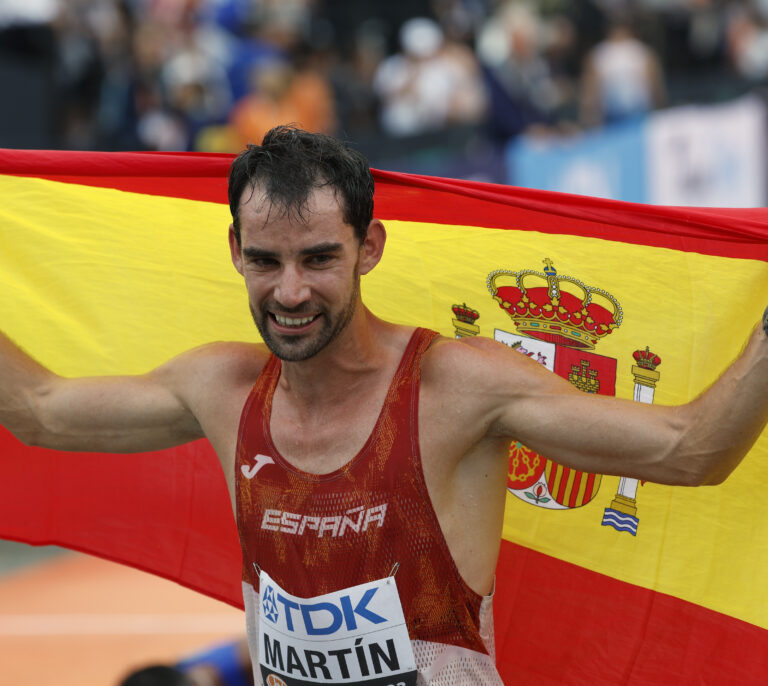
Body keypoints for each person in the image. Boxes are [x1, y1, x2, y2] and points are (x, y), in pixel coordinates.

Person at [2, 125, 768, 685]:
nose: (290, 292)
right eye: (265, 262)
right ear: (235, 250)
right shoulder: (220, 388)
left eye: (320, 258)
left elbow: (691, 447)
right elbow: (38, 408)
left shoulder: (455, 388)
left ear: (370, 248)